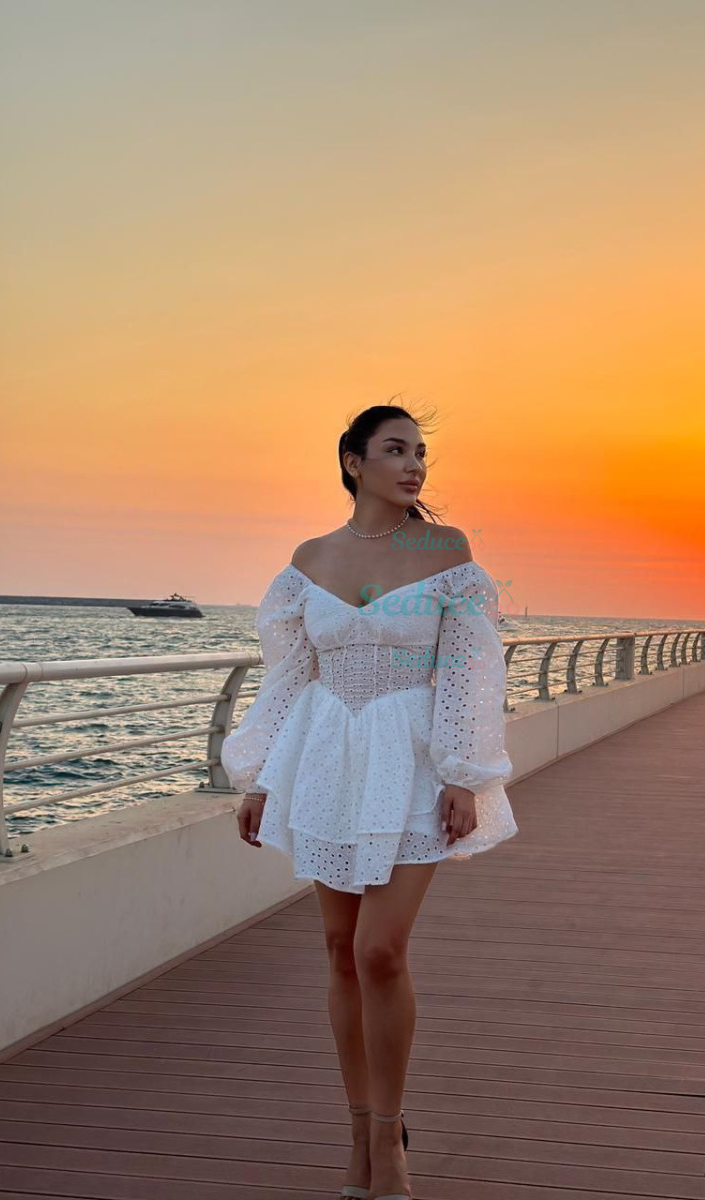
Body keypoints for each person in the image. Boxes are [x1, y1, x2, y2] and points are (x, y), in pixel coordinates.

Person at [220, 403, 518, 1200]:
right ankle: (358, 1134)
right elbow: (291, 676)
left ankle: (389, 1139)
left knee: (380, 951)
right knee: (339, 950)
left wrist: (463, 772)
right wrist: (261, 776)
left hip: (412, 760)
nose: (414, 465)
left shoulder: (445, 552)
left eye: (420, 452)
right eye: (396, 450)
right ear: (354, 462)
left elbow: (469, 665)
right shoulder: (310, 559)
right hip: (327, 758)